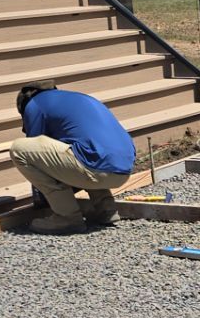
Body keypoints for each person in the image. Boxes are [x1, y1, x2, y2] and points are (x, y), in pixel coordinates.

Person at [9, 82, 137, 233]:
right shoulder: (78, 98)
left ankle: (67, 217)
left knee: (19, 149)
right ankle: (106, 210)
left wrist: (41, 198)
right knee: (85, 149)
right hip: (124, 169)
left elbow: (35, 149)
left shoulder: (34, 104)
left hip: (95, 170)